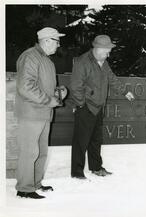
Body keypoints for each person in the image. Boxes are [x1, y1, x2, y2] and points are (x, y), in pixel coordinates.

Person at [70, 35, 135, 179]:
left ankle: (96, 167)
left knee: (96, 140)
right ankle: (77, 172)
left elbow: (112, 78)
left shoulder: (103, 62)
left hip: (98, 107)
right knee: (81, 141)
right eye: (107, 51)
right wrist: (81, 104)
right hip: (86, 107)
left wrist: (125, 92)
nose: (109, 54)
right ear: (98, 49)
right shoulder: (82, 62)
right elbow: (75, 87)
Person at [15, 27, 67, 199]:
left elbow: (44, 87)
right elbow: (25, 87)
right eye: (56, 41)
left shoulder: (47, 60)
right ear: (46, 40)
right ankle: (24, 188)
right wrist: (48, 100)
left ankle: (35, 183)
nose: (58, 45)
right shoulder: (30, 56)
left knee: (42, 152)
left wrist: (59, 92)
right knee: (29, 152)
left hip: (43, 114)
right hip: (31, 114)